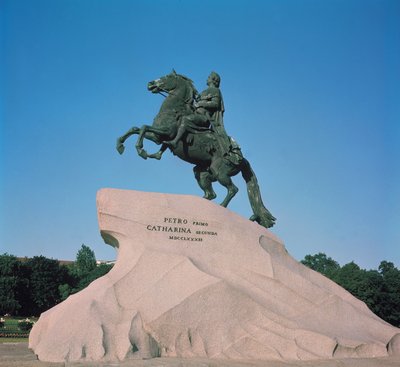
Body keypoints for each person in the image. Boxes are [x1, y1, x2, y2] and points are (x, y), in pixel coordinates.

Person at [164, 71, 232, 155]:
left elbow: (215, 104)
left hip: (204, 117)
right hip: (197, 114)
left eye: (209, 77)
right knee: (178, 118)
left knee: (185, 119)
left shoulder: (215, 90)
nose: (207, 79)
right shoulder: (204, 91)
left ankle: (175, 141)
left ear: (213, 80)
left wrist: (200, 103)